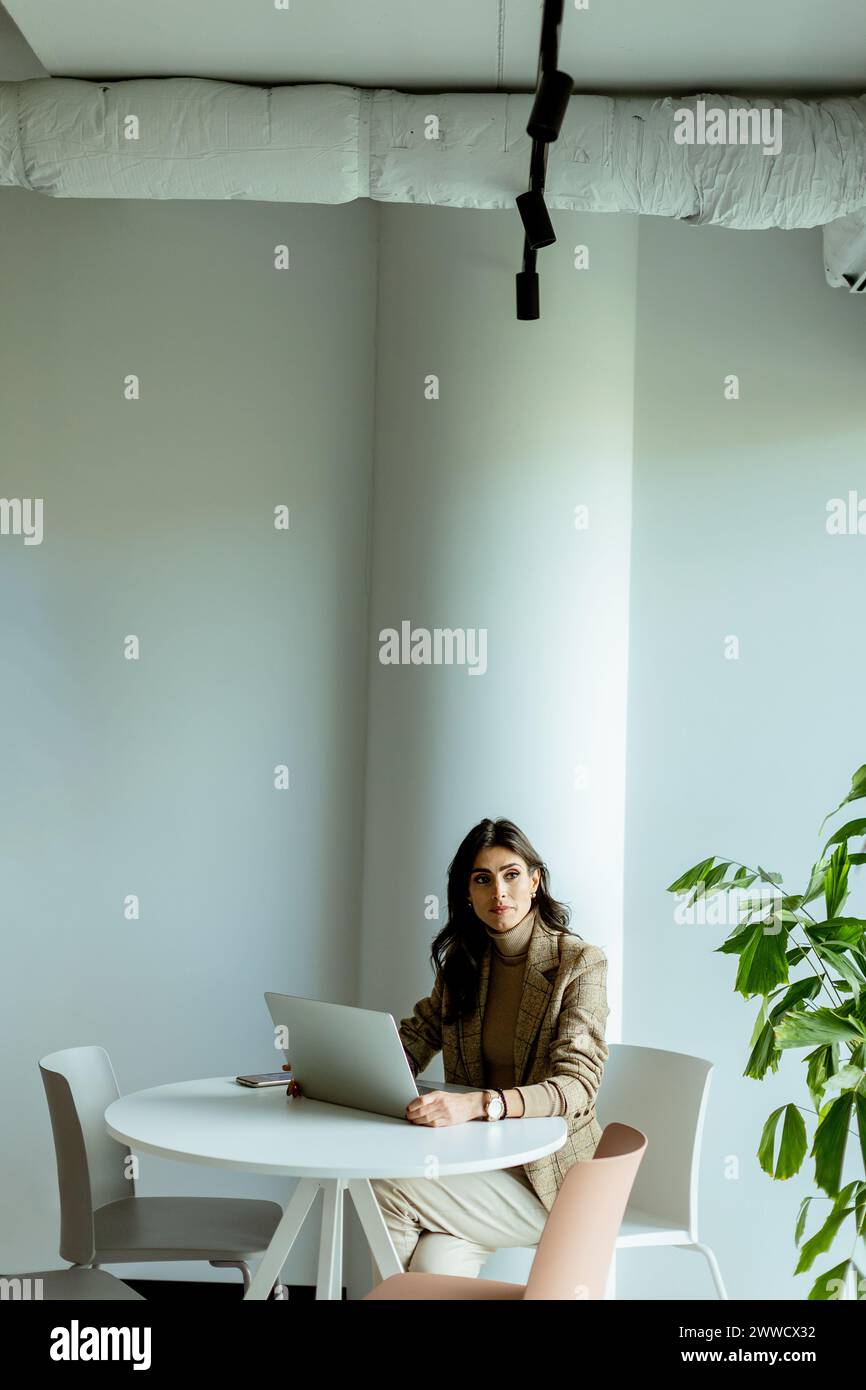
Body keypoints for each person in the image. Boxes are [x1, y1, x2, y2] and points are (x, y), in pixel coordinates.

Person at [369, 816, 610, 1283]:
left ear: (535, 882)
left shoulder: (580, 964)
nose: (499, 891)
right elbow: (414, 1039)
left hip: (551, 1182)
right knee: (434, 1268)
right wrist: (337, 1068)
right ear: (467, 893)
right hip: (478, 1168)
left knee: (382, 1187)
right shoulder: (464, 964)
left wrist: (482, 1104)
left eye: (511, 874)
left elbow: (578, 1085)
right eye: (482, 879)